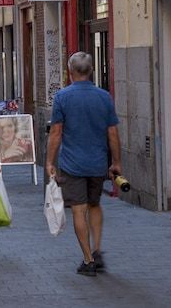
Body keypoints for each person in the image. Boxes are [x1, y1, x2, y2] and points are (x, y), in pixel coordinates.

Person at [45, 52, 121, 276]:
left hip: (72, 164)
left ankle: (87, 259)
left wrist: (50, 162)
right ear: (91, 71)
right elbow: (113, 133)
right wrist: (116, 162)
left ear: (70, 72)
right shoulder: (104, 97)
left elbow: (56, 133)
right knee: (95, 205)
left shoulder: (62, 97)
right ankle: (97, 250)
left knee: (79, 210)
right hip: (98, 163)